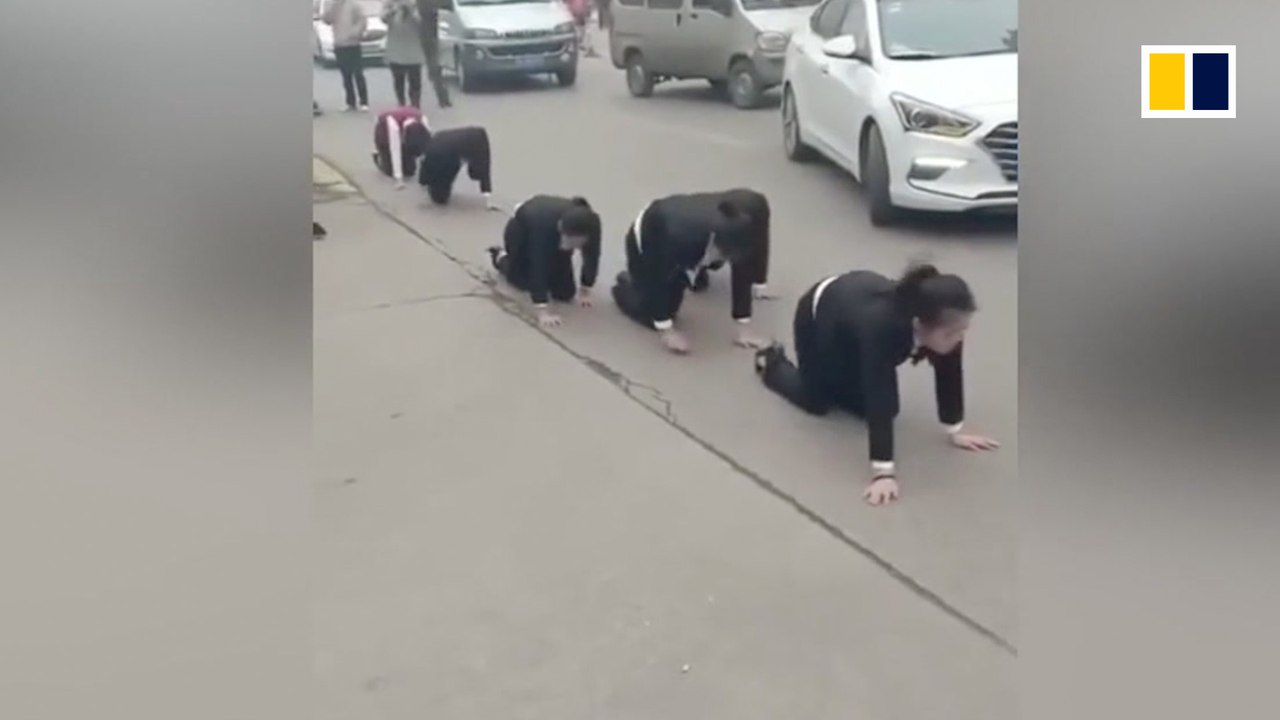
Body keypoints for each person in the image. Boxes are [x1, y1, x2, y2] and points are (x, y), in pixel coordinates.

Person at [753, 264, 1000, 507]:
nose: (958, 339)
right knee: (817, 402)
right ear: (918, 325)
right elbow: (879, 390)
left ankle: (836, 380)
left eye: (963, 330)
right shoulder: (882, 329)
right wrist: (884, 473)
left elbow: (950, 372)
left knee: (876, 409)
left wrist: (954, 429)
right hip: (821, 317)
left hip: (854, 311)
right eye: (951, 334)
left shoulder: (945, 328)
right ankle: (771, 362)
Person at [610, 189, 774, 354]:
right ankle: (626, 285)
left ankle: (694, 275)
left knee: (700, 279)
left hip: (695, 246)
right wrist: (666, 330)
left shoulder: (754, 209)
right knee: (663, 309)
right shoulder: (676, 236)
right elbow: (656, 277)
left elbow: (745, 268)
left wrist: (744, 323)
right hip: (649, 242)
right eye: (726, 255)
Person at [488, 195, 602, 328]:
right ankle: (501, 258)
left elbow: (592, 256)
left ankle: (551, 270)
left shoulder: (593, 225)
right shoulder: (543, 226)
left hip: (554, 235)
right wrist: (542, 310)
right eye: (564, 238)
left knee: (565, 293)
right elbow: (539, 264)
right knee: (523, 282)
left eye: (571, 241)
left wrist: (585, 288)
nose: (565, 244)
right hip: (522, 234)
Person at [417, 125, 496, 209]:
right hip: (475, 138)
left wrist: (424, 182)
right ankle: (487, 195)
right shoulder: (436, 138)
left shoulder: (432, 153)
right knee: (478, 170)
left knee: (475, 171)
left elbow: (427, 171)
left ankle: (440, 194)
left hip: (465, 146)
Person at [323, 0, 370, 111]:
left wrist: (355, 32)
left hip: (353, 44)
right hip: (339, 44)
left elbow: (362, 20)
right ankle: (350, 102)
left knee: (358, 73)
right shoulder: (334, 6)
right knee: (346, 75)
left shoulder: (354, 5)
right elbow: (327, 20)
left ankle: (364, 102)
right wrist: (330, 8)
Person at [371, 107, 431, 189]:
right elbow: (395, 150)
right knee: (390, 171)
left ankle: (407, 156)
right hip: (384, 135)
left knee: (410, 171)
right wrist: (399, 179)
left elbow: (429, 147)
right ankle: (379, 156)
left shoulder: (422, 120)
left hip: (405, 137)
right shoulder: (393, 126)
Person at [382, 0, 425, 107]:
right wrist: (393, 10)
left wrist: (411, 9)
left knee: (415, 82)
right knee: (398, 81)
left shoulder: (416, 4)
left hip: (413, 51)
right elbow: (383, 18)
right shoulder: (390, 3)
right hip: (396, 50)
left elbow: (421, 23)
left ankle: (415, 105)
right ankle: (401, 103)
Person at [414, 0, 452, 108]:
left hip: (427, 36)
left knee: (432, 69)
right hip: (430, 36)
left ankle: (441, 98)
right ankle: (443, 98)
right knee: (434, 69)